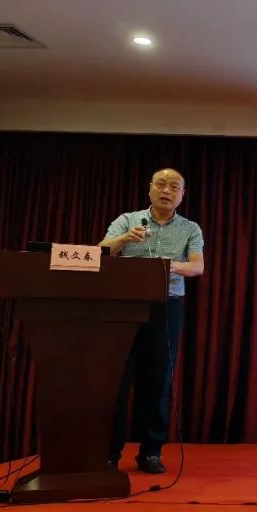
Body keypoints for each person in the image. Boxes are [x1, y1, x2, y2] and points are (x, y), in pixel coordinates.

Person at [100, 168, 204, 474]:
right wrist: (124, 238)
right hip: (124, 308)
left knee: (158, 380)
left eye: (174, 187)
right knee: (117, 380)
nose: (166, 191)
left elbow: (197, 267)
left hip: (166, 306)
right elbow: (101, 252)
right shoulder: (128, 220)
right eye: (161, 184)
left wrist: (168, 267)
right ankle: (109, 453)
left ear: (182, 195)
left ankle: (151, 452)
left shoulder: (190, 228)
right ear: (149, 189)